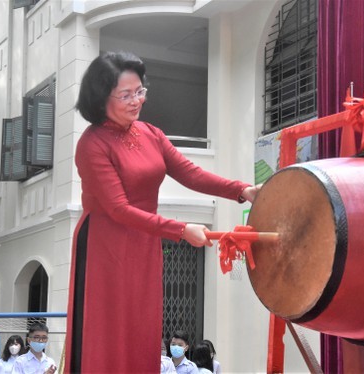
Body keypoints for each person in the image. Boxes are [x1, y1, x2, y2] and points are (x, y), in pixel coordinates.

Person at [64, 51, 260, 373]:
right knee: (110, 330)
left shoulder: (150, 133)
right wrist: (181, 230)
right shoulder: (92, 144)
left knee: (142, 325)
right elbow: (118, 208)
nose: (135, 101)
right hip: (105, 244)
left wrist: (241, 190)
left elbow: (190, 173)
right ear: (100, 98)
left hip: (143, 240)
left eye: (140, 91)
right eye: (125, 95)